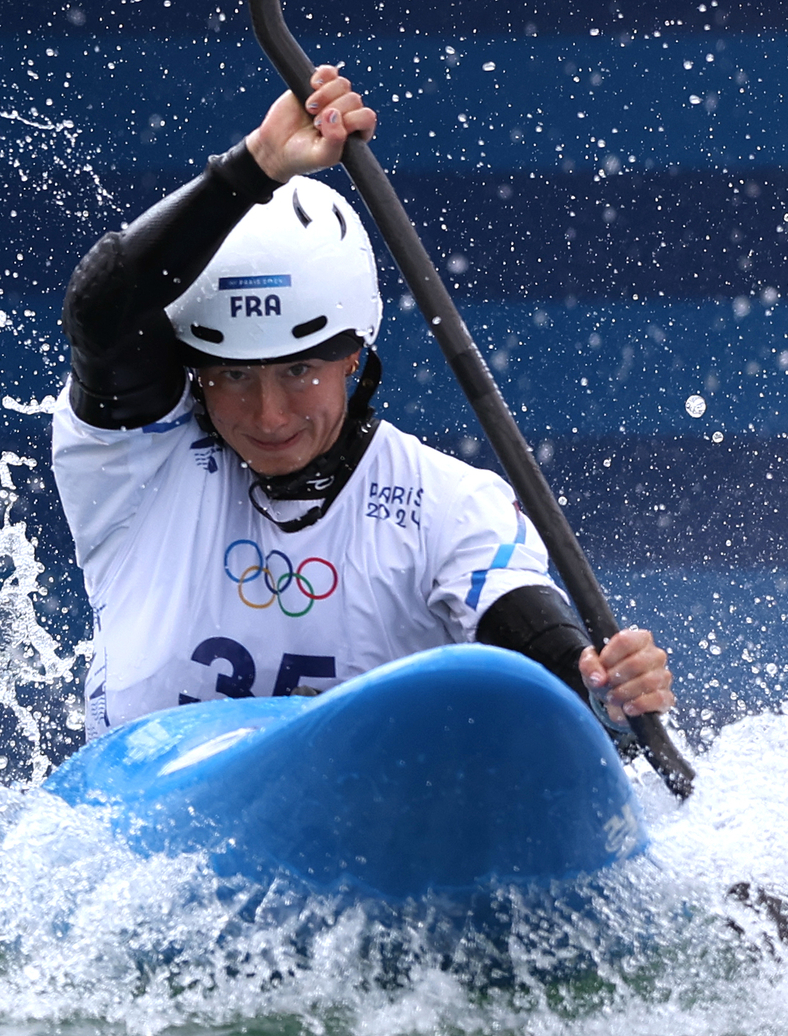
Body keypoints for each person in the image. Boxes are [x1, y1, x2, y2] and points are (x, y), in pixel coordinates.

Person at [54, 64, 672, 740]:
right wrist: (256, 165)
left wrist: (595, 686)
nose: (268, 415)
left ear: (355, 354)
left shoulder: (449, 505)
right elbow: (100, 309)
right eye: (232, 376)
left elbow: (528, 637)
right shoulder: (137, 466)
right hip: (132, 836)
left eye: (298, 369)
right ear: (195, 370)